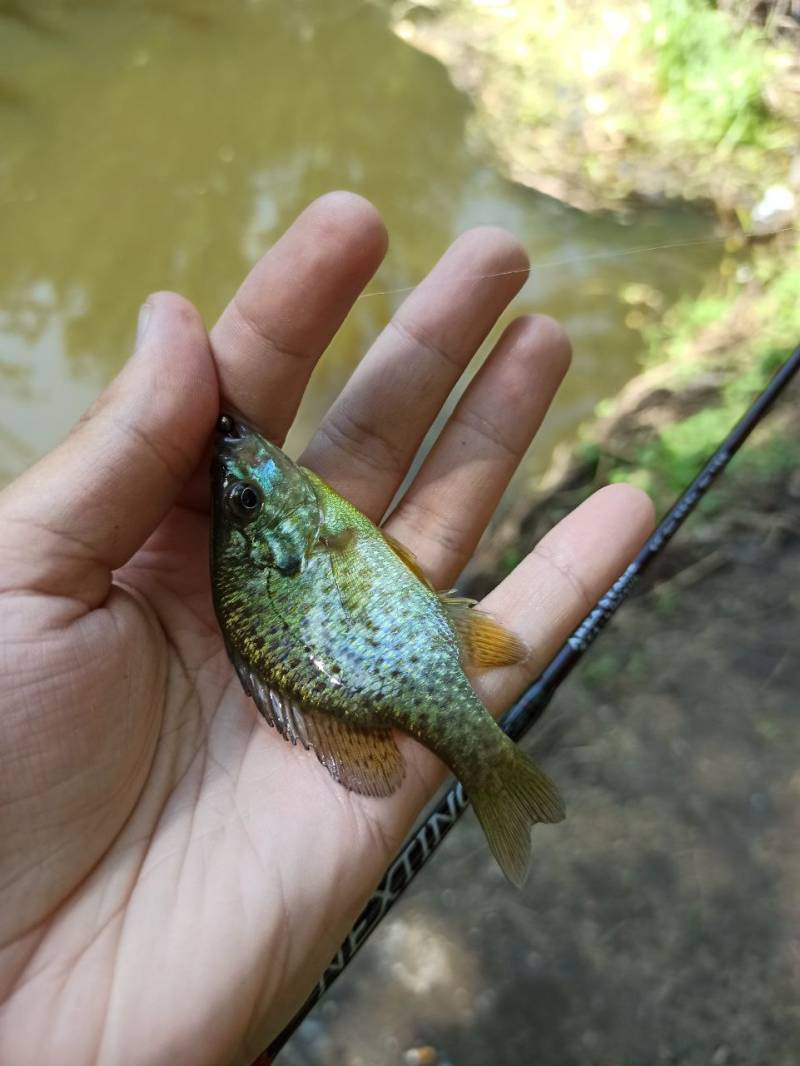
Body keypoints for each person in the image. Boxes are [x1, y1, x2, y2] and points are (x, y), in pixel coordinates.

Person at [0, 193, 653, 1064]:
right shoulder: (310, 533)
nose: (245, 473)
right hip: (409, 653)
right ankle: (495, 772)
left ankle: (497, 773)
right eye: (245, 500)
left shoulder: (306, 534)